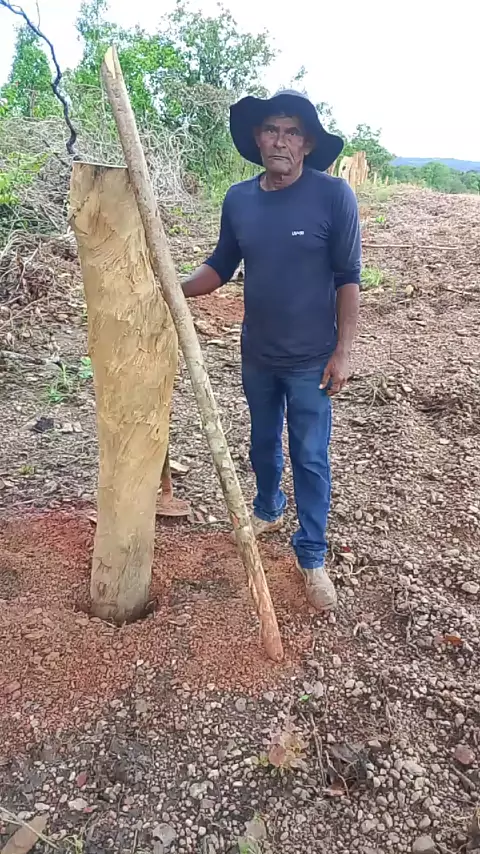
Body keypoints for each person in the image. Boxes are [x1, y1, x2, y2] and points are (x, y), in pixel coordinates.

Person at [182, 90, 361, 612]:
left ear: (307, 144)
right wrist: (172, 285)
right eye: (270, 130)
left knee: (309, 456)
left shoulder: (333, 196)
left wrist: (344, 351)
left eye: (291, 132)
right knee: (262, 442)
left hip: (312, 360)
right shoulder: (239, 199)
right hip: (257, 354)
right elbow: (221, 264)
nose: (280, 141)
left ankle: (312, 556)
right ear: (257, 139)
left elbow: (349, 277)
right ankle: (267, 507)